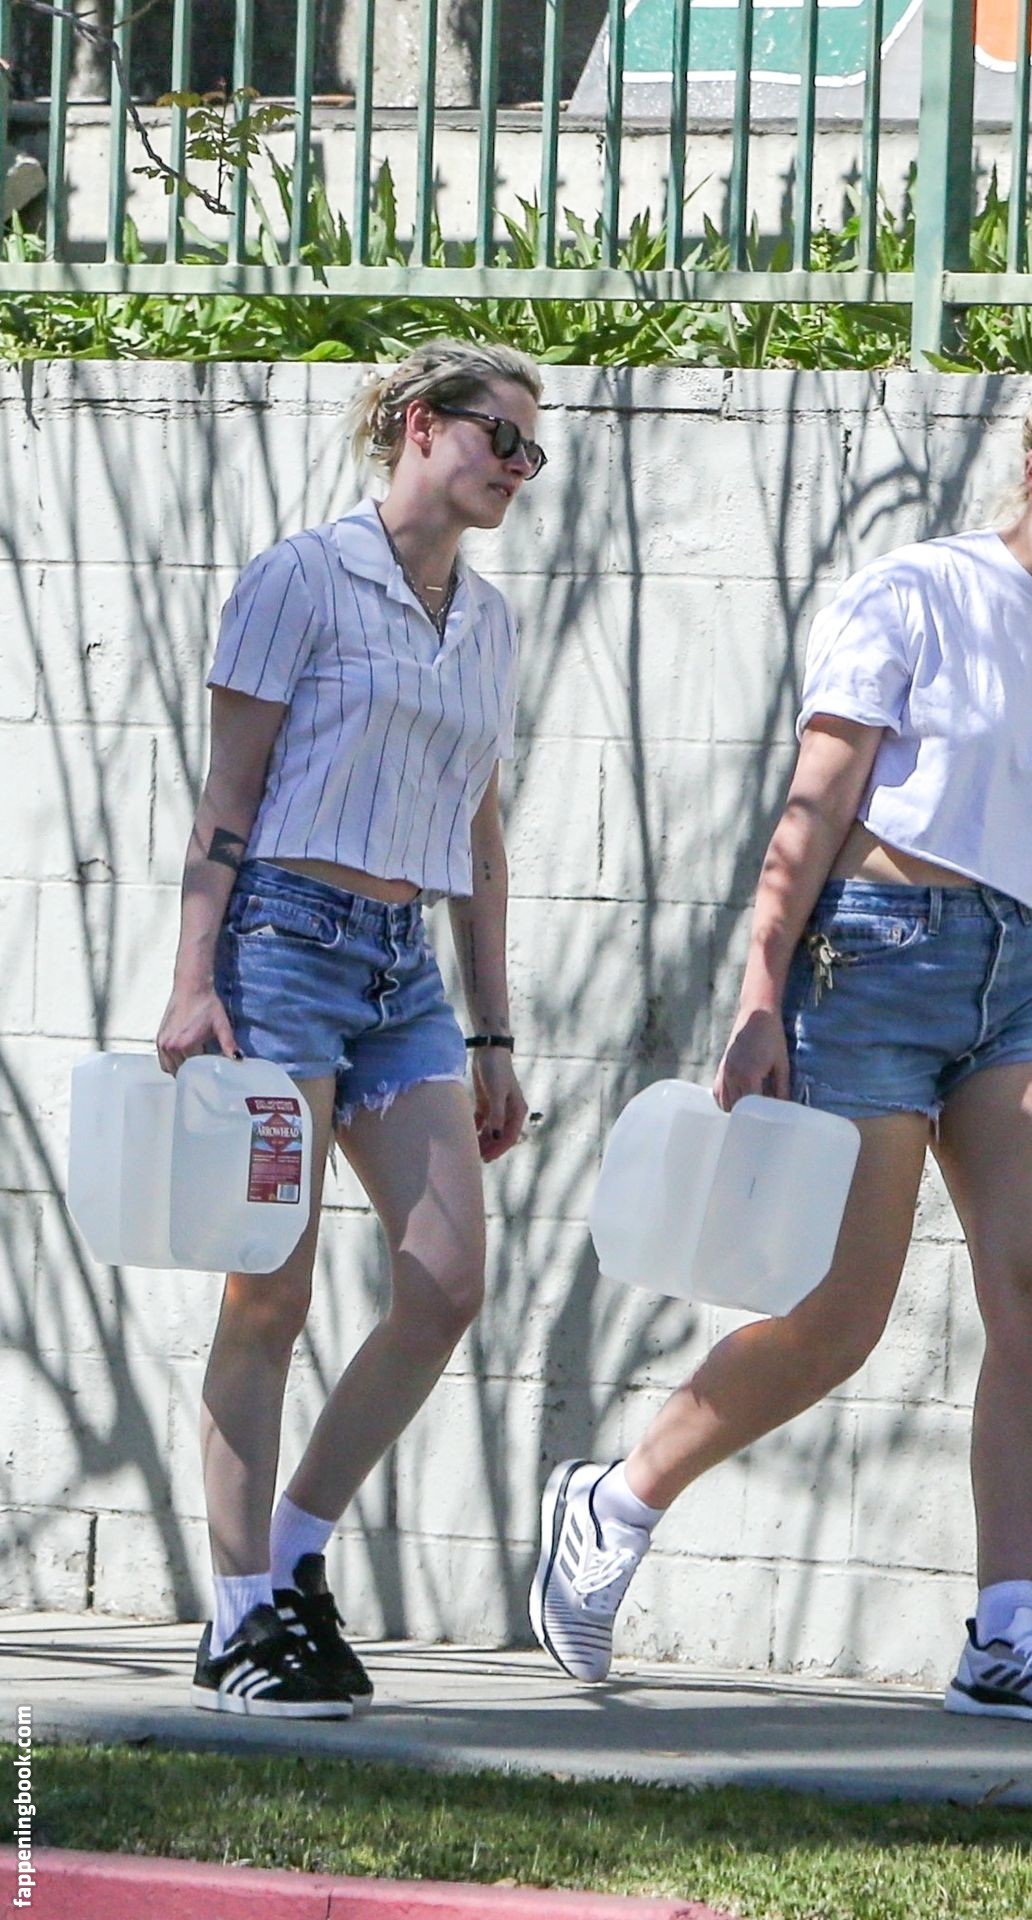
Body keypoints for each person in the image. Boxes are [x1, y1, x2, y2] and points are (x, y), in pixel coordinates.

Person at [530, 331, 1032, 1726]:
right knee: (839, 1316)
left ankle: (1004, 1632)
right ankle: (617, 1499)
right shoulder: (917, 593)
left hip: (1013, 978)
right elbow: (814, 808)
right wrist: (758, 993)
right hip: (869, 956)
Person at [157, 339, 545, 1718]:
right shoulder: (301, 578)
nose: (518, 467)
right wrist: (193, 979)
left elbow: (480, 839)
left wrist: (494, 1033)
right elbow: (228, 793)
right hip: (278, 949)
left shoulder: (489, 622)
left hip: (402, 971)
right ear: (421, 424)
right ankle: (235, 1617)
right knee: (271, 1289)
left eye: (533, 451)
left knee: (445, 1282)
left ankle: (295, 1554)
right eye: (501, 437)